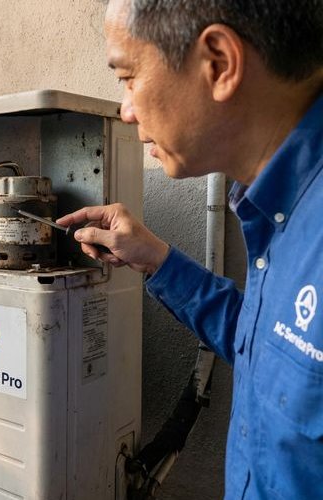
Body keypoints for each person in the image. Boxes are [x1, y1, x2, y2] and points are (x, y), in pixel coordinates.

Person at [55, 0, 323, 498]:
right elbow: (268, 347)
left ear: (219, 63)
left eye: (128, 76)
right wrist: (156, 260)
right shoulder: (279, 208)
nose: (126, 108)